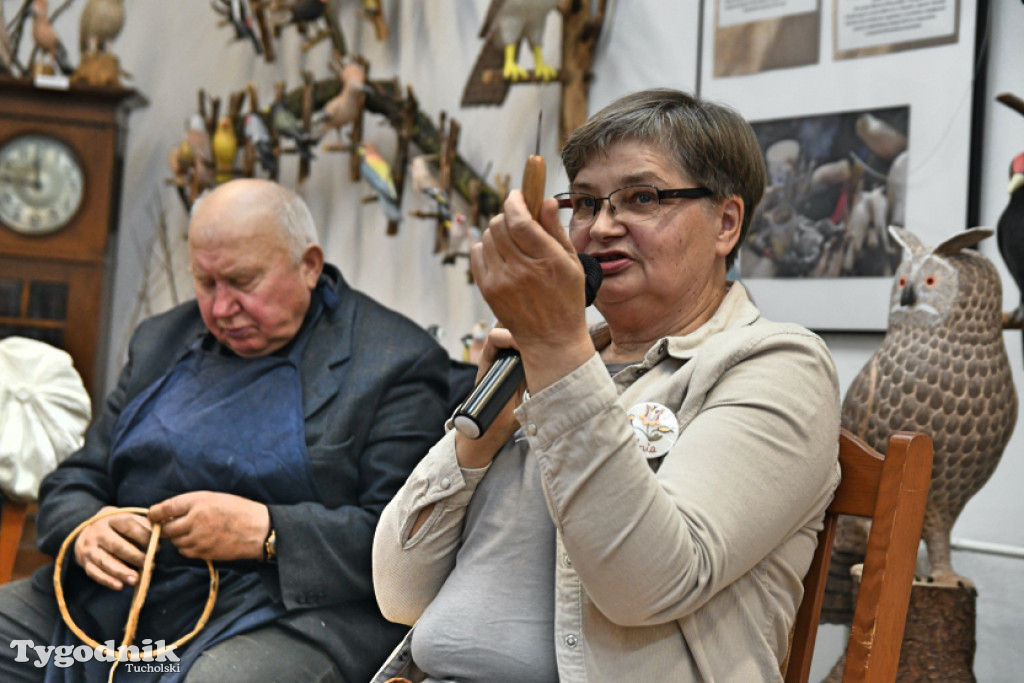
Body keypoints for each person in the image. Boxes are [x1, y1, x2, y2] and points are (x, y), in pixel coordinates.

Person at [370, 89, 841, 682]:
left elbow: (646, 587)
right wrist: (478, 439)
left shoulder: (779, 365)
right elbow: (399, 591)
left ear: (726, 222)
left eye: (642, 198)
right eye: (586, 203)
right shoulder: (545, 354)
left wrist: (559, 358)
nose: (602, 227)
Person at [0, 178, 450, 682]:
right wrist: (87, 526)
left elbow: (409, 549)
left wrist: (268, 531)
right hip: (130, 600)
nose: (219, 309)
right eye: (205, 282)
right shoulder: (162, 340)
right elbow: (73, 480)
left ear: (309, 264)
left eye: (242, 281)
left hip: (288, 612)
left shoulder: (394, 363)